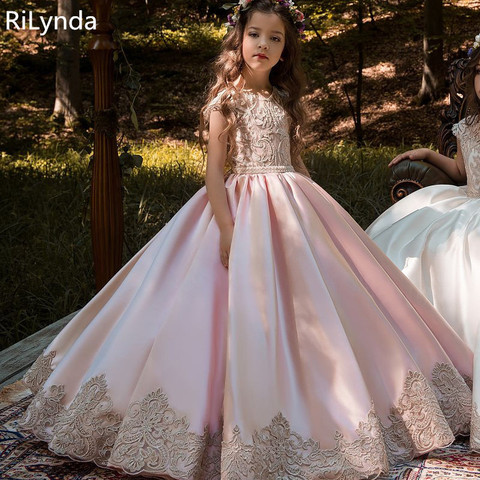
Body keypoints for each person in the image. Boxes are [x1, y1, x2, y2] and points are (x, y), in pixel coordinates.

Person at [19, 2, 472, 479]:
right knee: (208, 309)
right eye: (255, 34)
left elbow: (294, 163)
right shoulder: (225, 102)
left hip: (293, 206)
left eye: (275, 39)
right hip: (237, 206)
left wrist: (314, 211)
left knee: (326, 302)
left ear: (285, 51)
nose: (263, 45)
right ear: (239, 39)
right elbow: (215, 173)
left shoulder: (282, 102)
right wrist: (229, 228)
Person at [367, 35, 480, 451]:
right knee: (416, 246)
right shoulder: (467, 126)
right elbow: (463, 172)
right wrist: (431, 157)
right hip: (468, 203)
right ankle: (425, 380)